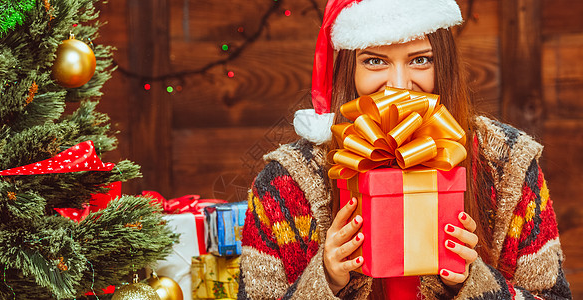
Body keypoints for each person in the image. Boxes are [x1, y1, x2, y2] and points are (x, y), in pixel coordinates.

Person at [237, 0, 572, 299]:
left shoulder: (506, 164)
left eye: (420, 59)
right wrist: (326, 280)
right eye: (374, 61)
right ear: (348, 71)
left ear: (443, 64)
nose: (398, 85)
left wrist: (475, 285)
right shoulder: (285, 183)